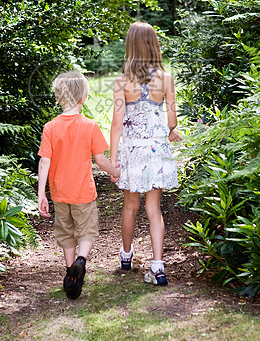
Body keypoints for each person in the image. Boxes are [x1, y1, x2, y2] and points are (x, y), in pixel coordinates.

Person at [38, 70, 120, 299]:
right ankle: (81, 261)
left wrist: (41, 195)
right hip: (83, 192)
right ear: (83, 98)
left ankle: (69, 272)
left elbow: (45, 161)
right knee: (87, 230)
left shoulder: (50, 127)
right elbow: (100, 159)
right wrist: (116, 172)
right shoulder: (90, 126)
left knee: (66, 233)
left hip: (59, 192)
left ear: (57, 98)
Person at [110, 22, 181, 286]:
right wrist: (170, 130)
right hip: (156, 148)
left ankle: (126, 256)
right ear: (154, 45)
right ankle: (158, 267)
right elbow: (172, 119)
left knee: (130, 205)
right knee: (154, 208)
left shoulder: (121, 82)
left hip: (133, 149)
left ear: (131, 46)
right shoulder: (166, 79)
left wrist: (113, 156)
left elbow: (117, 123)